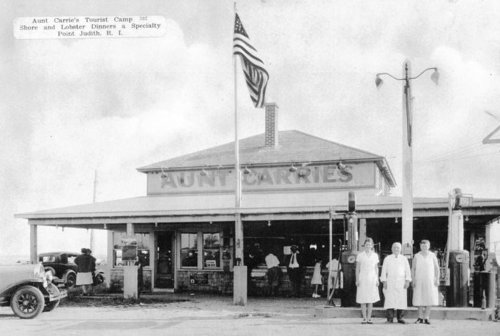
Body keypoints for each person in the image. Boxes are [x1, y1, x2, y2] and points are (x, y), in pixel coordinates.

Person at [380, 242, 412, 324]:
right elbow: (383, 271)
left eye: (398, 247)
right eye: (394, 247)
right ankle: (389, 318)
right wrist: (384, 281)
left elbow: (408, 271)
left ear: (400, 249)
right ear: (391, 249)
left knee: (401, 300)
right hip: (390, 281)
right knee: (389, 299)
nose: (396, 249)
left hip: (401, 282)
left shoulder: (404, 259)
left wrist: (407, 281)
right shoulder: (387, 258)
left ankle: (400, 318)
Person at [412, 240, 440, 325]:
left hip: (430, 280)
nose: (424, 247)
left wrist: (437, 279)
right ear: (420, 246)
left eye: (426, 245)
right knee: (419, 298)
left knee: (429, 298)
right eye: (422, 245)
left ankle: (427, 317)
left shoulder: (432, 255)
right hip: (419, 280)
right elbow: (413, 269)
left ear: (429, 246)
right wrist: (413, 280)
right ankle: (420, 317)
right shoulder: (416, 256)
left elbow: (437, 268)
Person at [356, 238, 380, 324]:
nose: (368, 246)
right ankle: (364, 318)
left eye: (369, 245)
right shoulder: (360, 255)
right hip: (362, 278)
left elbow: (376, 268)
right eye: (366, 245)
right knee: (363, 299)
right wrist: (357, 280)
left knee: (370, 299)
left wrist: (377, 279)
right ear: (364, 246)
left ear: (372, 245)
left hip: (372, 279)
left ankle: (369, 318)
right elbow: (357, 268)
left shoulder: (375, 255)